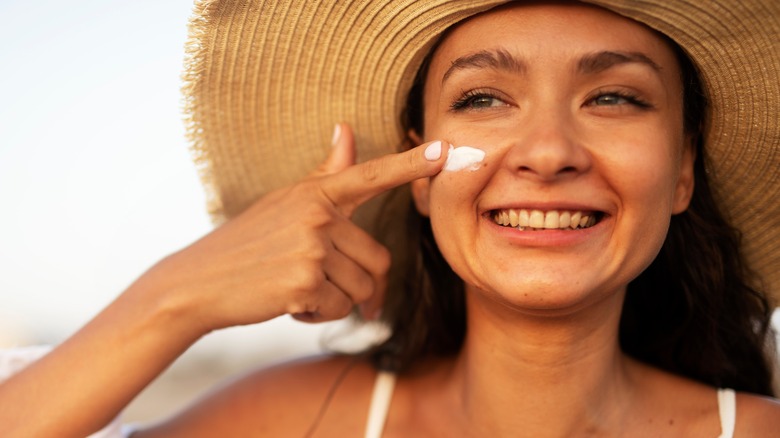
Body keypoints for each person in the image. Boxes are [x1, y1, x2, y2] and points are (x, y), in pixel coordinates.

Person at [1, 0, 779, 436]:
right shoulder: (292, 421)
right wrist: (175, 299)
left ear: (681, 170)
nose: (547, 152)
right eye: (482, 99)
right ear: (416, 173)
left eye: (613, 97)